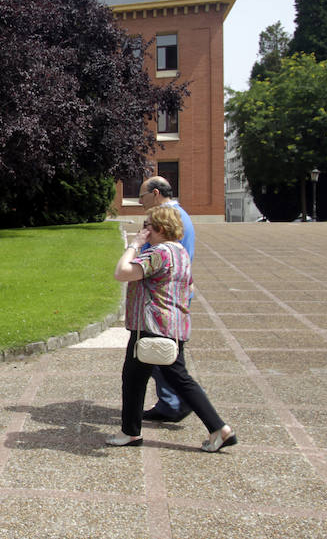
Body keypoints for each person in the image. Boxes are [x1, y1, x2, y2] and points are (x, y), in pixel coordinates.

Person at [106, 205, 235, 452]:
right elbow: (191, 289)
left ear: (160, 229)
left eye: (147, 226)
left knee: (141, 379)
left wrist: (134, 244)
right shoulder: (180, 252)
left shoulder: (159, 253)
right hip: (175, 327)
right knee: (160, 378)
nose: (144, 231)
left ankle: (218, 427)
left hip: (151, 328)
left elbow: (121, 272)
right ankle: (132, 431)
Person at [138, 176, 194, 422]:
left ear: (156, 193)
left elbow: (162, 258)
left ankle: (176, 403)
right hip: (175, 294)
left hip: (164, 298)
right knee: (167, 357)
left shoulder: (168, 220)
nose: (141, 202)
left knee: (161, 356)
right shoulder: (181, 215)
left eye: (143, 197)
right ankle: (175, 401)